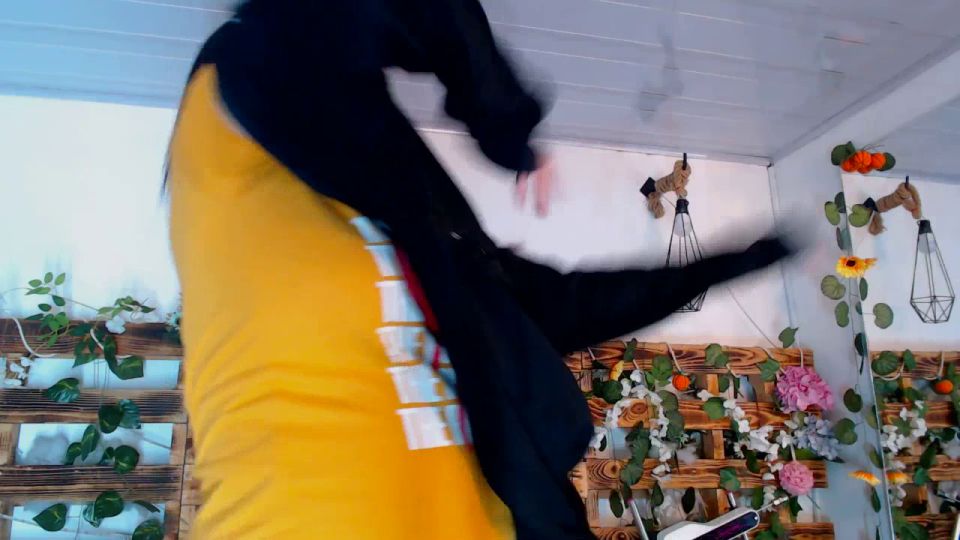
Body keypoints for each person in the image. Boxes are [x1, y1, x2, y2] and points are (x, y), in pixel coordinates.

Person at [166, 1, 795, 539]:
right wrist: (504, 126)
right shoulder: (229, 124)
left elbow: (569, 306)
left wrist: (732, 264)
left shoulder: (436, 259)